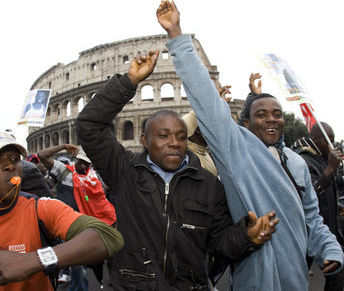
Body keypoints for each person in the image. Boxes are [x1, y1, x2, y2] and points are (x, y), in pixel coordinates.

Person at [156, 0, 343, 290]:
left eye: (277, 114)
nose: (272, 120)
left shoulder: (296, 163)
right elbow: (205, 99)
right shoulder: (236, 150)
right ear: (245, 122)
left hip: (296, 279)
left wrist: (329, 249)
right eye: (261, 114)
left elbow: (312, 219)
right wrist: (177, 36)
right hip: (255, 279)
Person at [76, 45, 279, 289]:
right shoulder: (124, 171)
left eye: (182, 136)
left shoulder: (208, 184)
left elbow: (219, 243)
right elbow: (89, 124)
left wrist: (246, 236)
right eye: (163, 136)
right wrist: (128, 82)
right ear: (144, 141)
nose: (174, 143)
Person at [0, 131, 124, 291]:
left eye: (15, 159)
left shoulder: (42, 208)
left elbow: (109, 236)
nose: (10, 166)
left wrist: (35, 260)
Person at [38, 144, 116, 290]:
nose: (83, 166)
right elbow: (42, 154)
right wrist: (63, 146)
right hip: (67, 226)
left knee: (83, 266)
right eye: (81, 161)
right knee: (78, 267)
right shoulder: (65, 172)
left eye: (87, 163)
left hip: (88, 227)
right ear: (76, 159)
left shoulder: (94, 177)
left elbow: (101, 200)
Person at [292, 122, 344, 290]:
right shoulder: (302, 160)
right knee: (297, 277)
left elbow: (332, 187)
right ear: (315, 139)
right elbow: (310, 194)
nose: (332, 144)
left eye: (333, 139)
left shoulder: (323, 158)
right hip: (309, 231)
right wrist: (330, 168)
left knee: (336, 274)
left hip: (325, 230)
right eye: (328, 139)